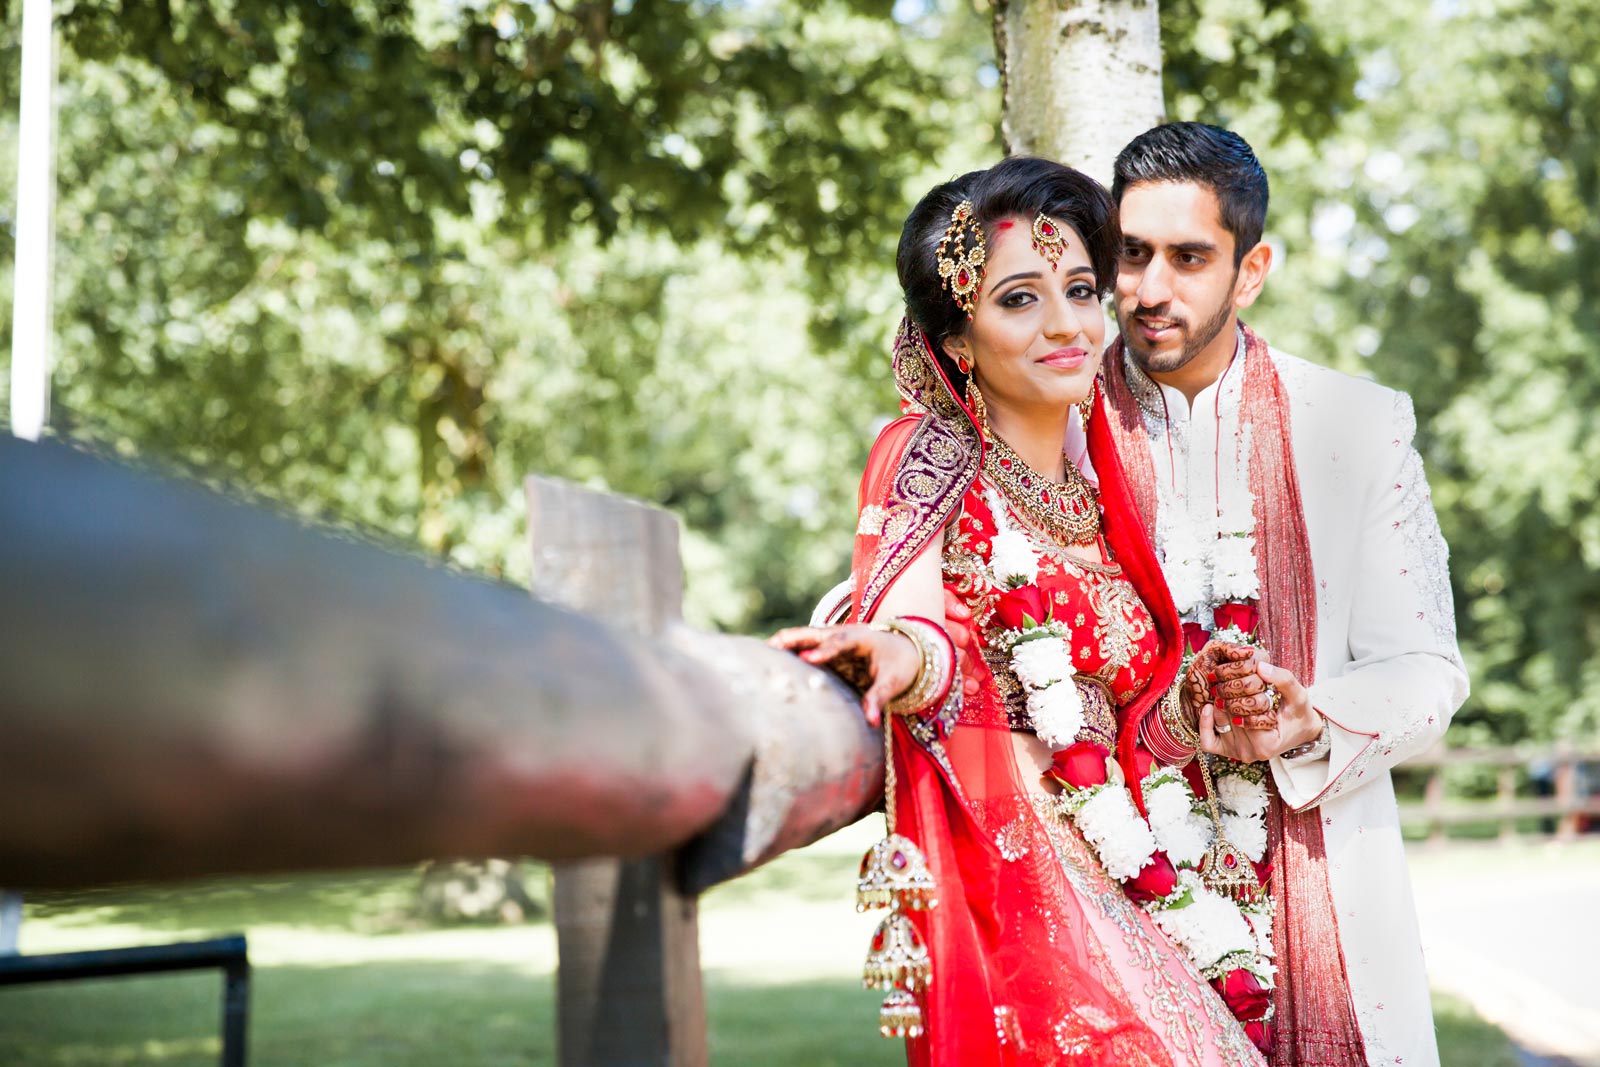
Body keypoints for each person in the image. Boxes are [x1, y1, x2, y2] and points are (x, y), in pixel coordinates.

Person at [773, 157, 1269, 1066]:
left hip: (1143, 874)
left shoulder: (1104, 489)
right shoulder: (933, 452)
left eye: (1081, 288)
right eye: (1018, 300)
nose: (1066, 325)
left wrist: (1204, 697)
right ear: (959, 336)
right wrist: (893, 653)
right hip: (1030, 893)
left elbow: (1130, 707)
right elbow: (921, 623)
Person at [1104, 122, 1470, 1067]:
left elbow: (1427, 666)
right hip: (1110, 891)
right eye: (1132, 254)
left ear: (1251, 267)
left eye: (1189, 258)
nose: (1150, 289)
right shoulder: (1054, 422)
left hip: (1323, 884)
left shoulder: (1356, 423)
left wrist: (1310, 717)